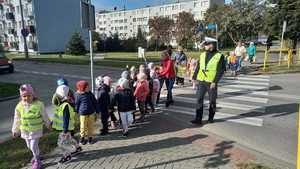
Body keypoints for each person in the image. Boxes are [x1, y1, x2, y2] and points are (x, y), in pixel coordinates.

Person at [12, 84, 52, 169]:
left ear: (33, 95)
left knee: (33, 146)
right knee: (29, 146)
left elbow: (44, 115)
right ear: (21, 96)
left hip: (36, 130)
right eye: (24, 96)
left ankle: (37, 161)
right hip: (25, 130)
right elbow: (17, 119)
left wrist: (48, 124)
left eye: (28, 96)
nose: (26, 98)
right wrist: (15, 130)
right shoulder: (19, 106)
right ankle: (37, 154)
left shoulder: (39, 105)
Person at [191, 37, 226, 125]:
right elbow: (199, 67)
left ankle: (210, 118)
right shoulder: (202, 54)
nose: (204, 46)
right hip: (202, 81)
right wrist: (194, 77)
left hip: (211, 82)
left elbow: (220, 70)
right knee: (199, 99)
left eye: (206, 44)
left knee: (212, 101)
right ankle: (198, 119)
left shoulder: (219, 56)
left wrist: (215, 81)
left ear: (211, 45)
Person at [52, 85, 82, 163]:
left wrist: (65, 130)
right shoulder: (62, 105)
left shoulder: (65, 106)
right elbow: (58, 116)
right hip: (66, 128)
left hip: (65, 128)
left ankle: (67, 155)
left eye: (57, 95)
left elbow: (66, 118)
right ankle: (78, 148)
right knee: (70, 139)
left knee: (61, 143)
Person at [75, 80, 99, 145]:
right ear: (82, 88)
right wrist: (76, 112)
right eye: (87, 87)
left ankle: (90, 138)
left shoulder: (90, 94)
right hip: (83, 114)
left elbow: (95, 102)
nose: (89, 88)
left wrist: (97, 111)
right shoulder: (78, 95)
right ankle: (82, 138)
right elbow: (77, 104)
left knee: (90, 126)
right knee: (83, 126)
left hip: (91, 113)